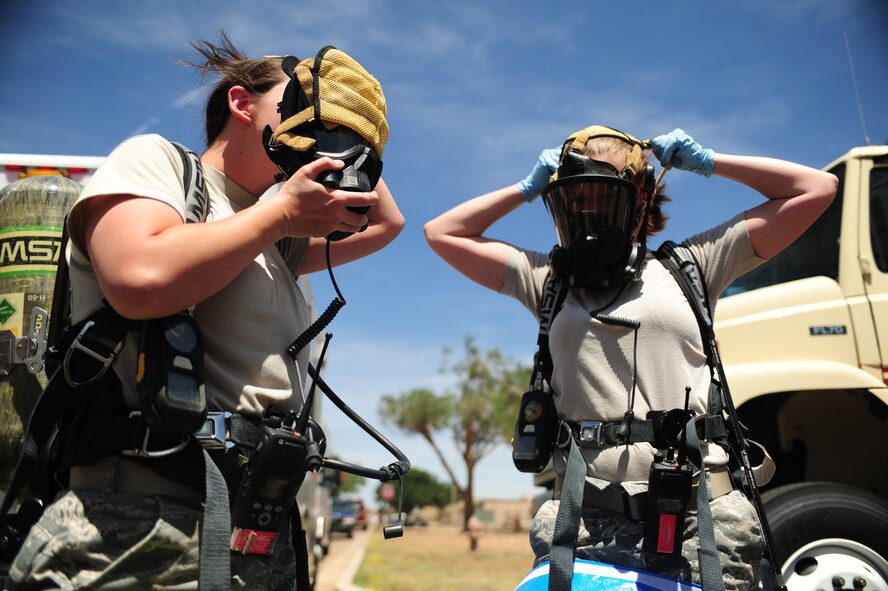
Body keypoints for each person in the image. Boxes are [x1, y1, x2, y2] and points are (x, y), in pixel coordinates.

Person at [6, 34, 403, 590]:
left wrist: (352, 140)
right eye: (302, 108)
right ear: (242, 105)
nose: (319, 131)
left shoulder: (276, 233)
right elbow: (139, 280)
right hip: (138, 528)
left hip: (253, 534)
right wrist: (282, 213)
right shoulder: (161, 164)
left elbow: (386, 223)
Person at [424, 125, 837, 590]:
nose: (585, 211)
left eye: (600, 195)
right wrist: (525, 189)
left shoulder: (694, 264)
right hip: (581, 524)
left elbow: (816, 189)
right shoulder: (546, 281)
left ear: (641, 195)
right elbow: (441, 233)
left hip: (698, 521)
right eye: (573, 200)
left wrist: (708, 163)